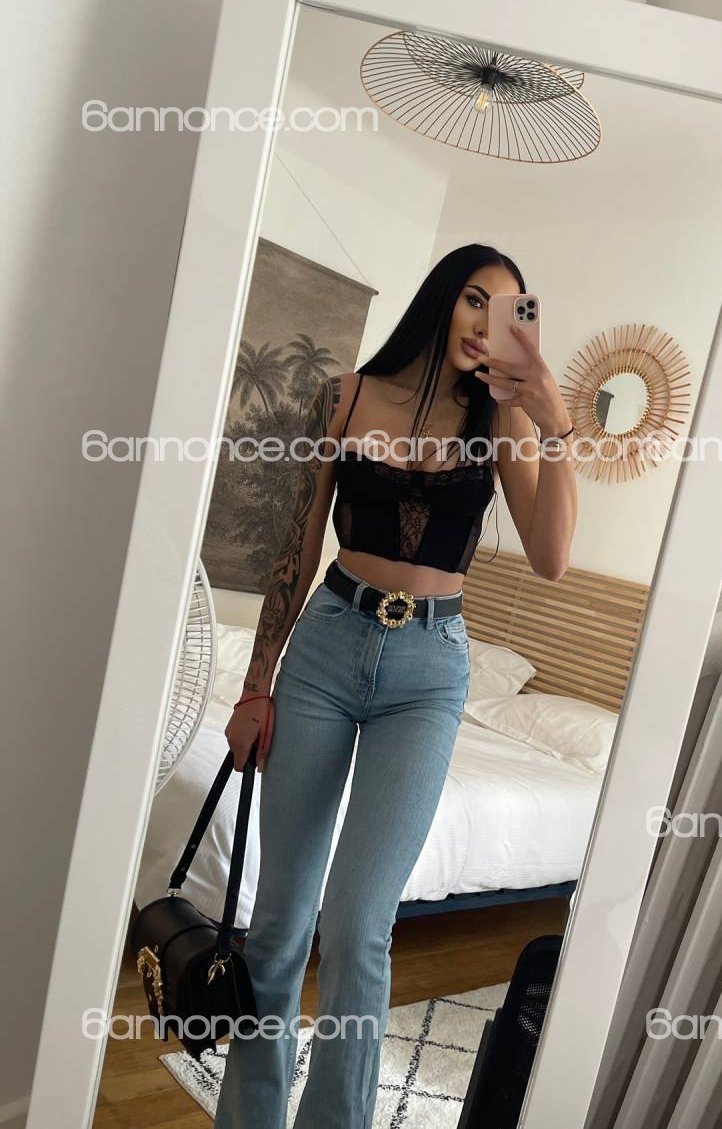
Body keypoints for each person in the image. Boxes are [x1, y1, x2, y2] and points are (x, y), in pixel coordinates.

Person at [213, 242, 578, 1128]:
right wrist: (256, 685)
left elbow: (552, 556)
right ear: (440, 300)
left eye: (509, 311)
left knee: (359, 922)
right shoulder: (343, 396)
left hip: (429, 670)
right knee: (279, 921)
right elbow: (297, 544)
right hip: (325, 649)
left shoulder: (502, 421)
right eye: (475, 298)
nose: (487, 323)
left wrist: (552, 414)